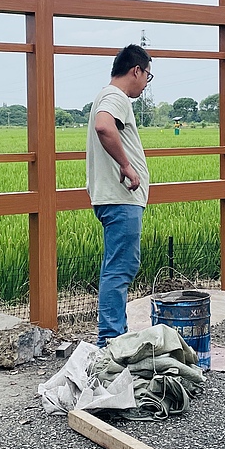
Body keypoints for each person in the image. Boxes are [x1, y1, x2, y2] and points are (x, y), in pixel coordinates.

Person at [86, 44, 153, 346]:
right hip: (121, 198)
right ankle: (111, 341)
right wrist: (127, 165)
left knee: (118, 267)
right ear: (135, 70)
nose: (145, 83)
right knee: (120, 268)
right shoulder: (116, 96)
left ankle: (114, 336)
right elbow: (104, 126)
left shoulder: (105, 95)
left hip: (113, 198)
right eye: (147, 76)